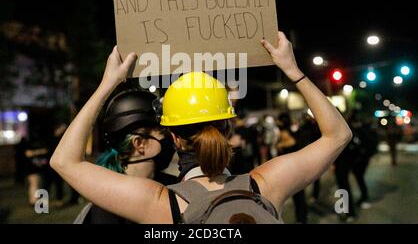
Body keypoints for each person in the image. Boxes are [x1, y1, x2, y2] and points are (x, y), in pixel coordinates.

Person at [50, 31, 352, 223]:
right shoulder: (265, 185)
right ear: (228, 129)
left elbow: (64, 161)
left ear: (174, 138)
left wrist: (108, 84)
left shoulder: (160, 203)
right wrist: (293, 71)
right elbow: (338, 134)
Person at [73, 89, 177, 224]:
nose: (171, 138)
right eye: (163, 133)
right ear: (139, 143)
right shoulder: (106, 205)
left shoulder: (173, 184)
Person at [275, 112, 308, 223]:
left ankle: (301, 219)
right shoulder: (290, 131)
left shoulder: (286, 132)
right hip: (293, 169)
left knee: (299, 197)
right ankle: (301, 218)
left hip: (294, 170)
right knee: (297, 196)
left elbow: (291, 142)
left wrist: (280, 145)